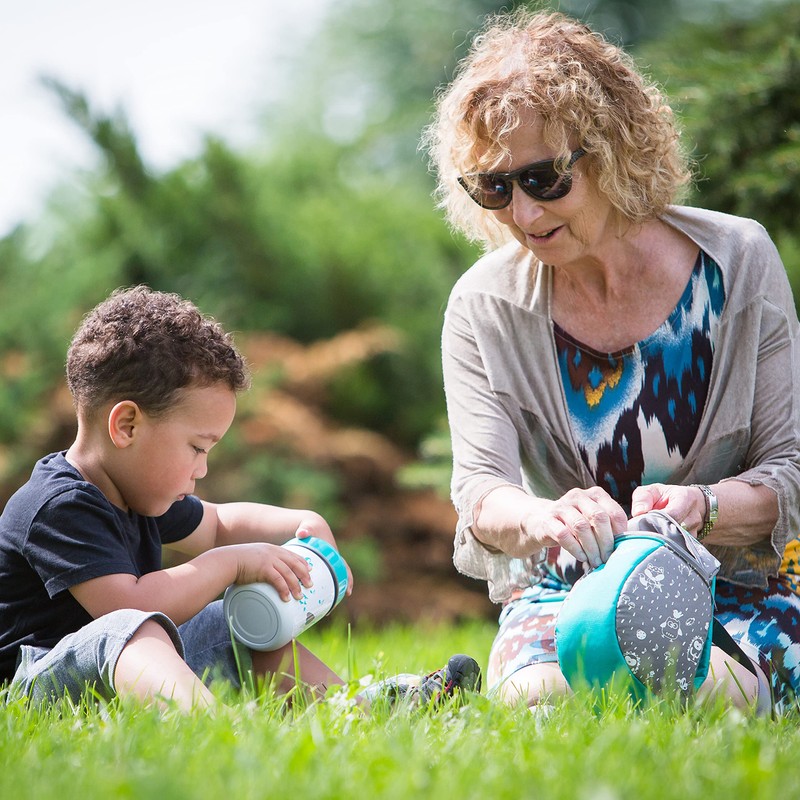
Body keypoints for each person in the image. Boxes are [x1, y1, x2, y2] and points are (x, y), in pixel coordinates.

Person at [424, 9, 800, 712]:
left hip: (736, 588)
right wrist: (543, 520)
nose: (524, 215)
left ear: (613, 150)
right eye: (494, 188)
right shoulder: (483, 305)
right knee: (538, 698)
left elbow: (792, 474)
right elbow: (480, 491)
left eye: (544, 180)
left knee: (712, 695)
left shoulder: (740, 261)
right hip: (574, 594)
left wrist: (704, 508)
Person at [0, 286, 480, 711]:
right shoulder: (57, 504)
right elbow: (126, 604)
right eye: (196, 447)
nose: (202, 468)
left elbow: (219, 524)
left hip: (123, 666)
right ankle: (210, 728)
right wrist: (228, 565)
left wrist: (298, 523)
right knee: (131, 627)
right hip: (36, 682)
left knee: (235, 623)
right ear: (127, 425)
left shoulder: (136, 492)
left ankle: (348, 711)